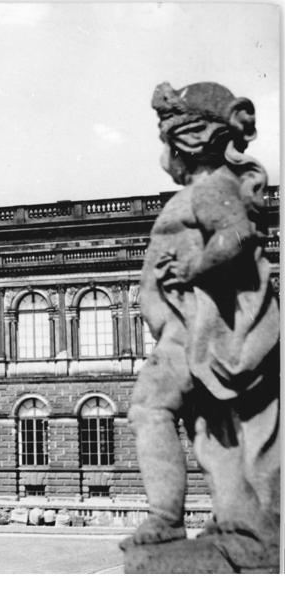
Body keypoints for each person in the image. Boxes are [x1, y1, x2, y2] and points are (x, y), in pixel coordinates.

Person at [126, 82, 279, 562]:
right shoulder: (202, 189)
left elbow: (236, 234)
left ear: (186, 139)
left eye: (165, 137)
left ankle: (166, 519)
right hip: (183, 327)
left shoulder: (210, 187)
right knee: (211, 429)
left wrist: (193, 268)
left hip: (197, 329)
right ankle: (230, 519)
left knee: (150, 405)